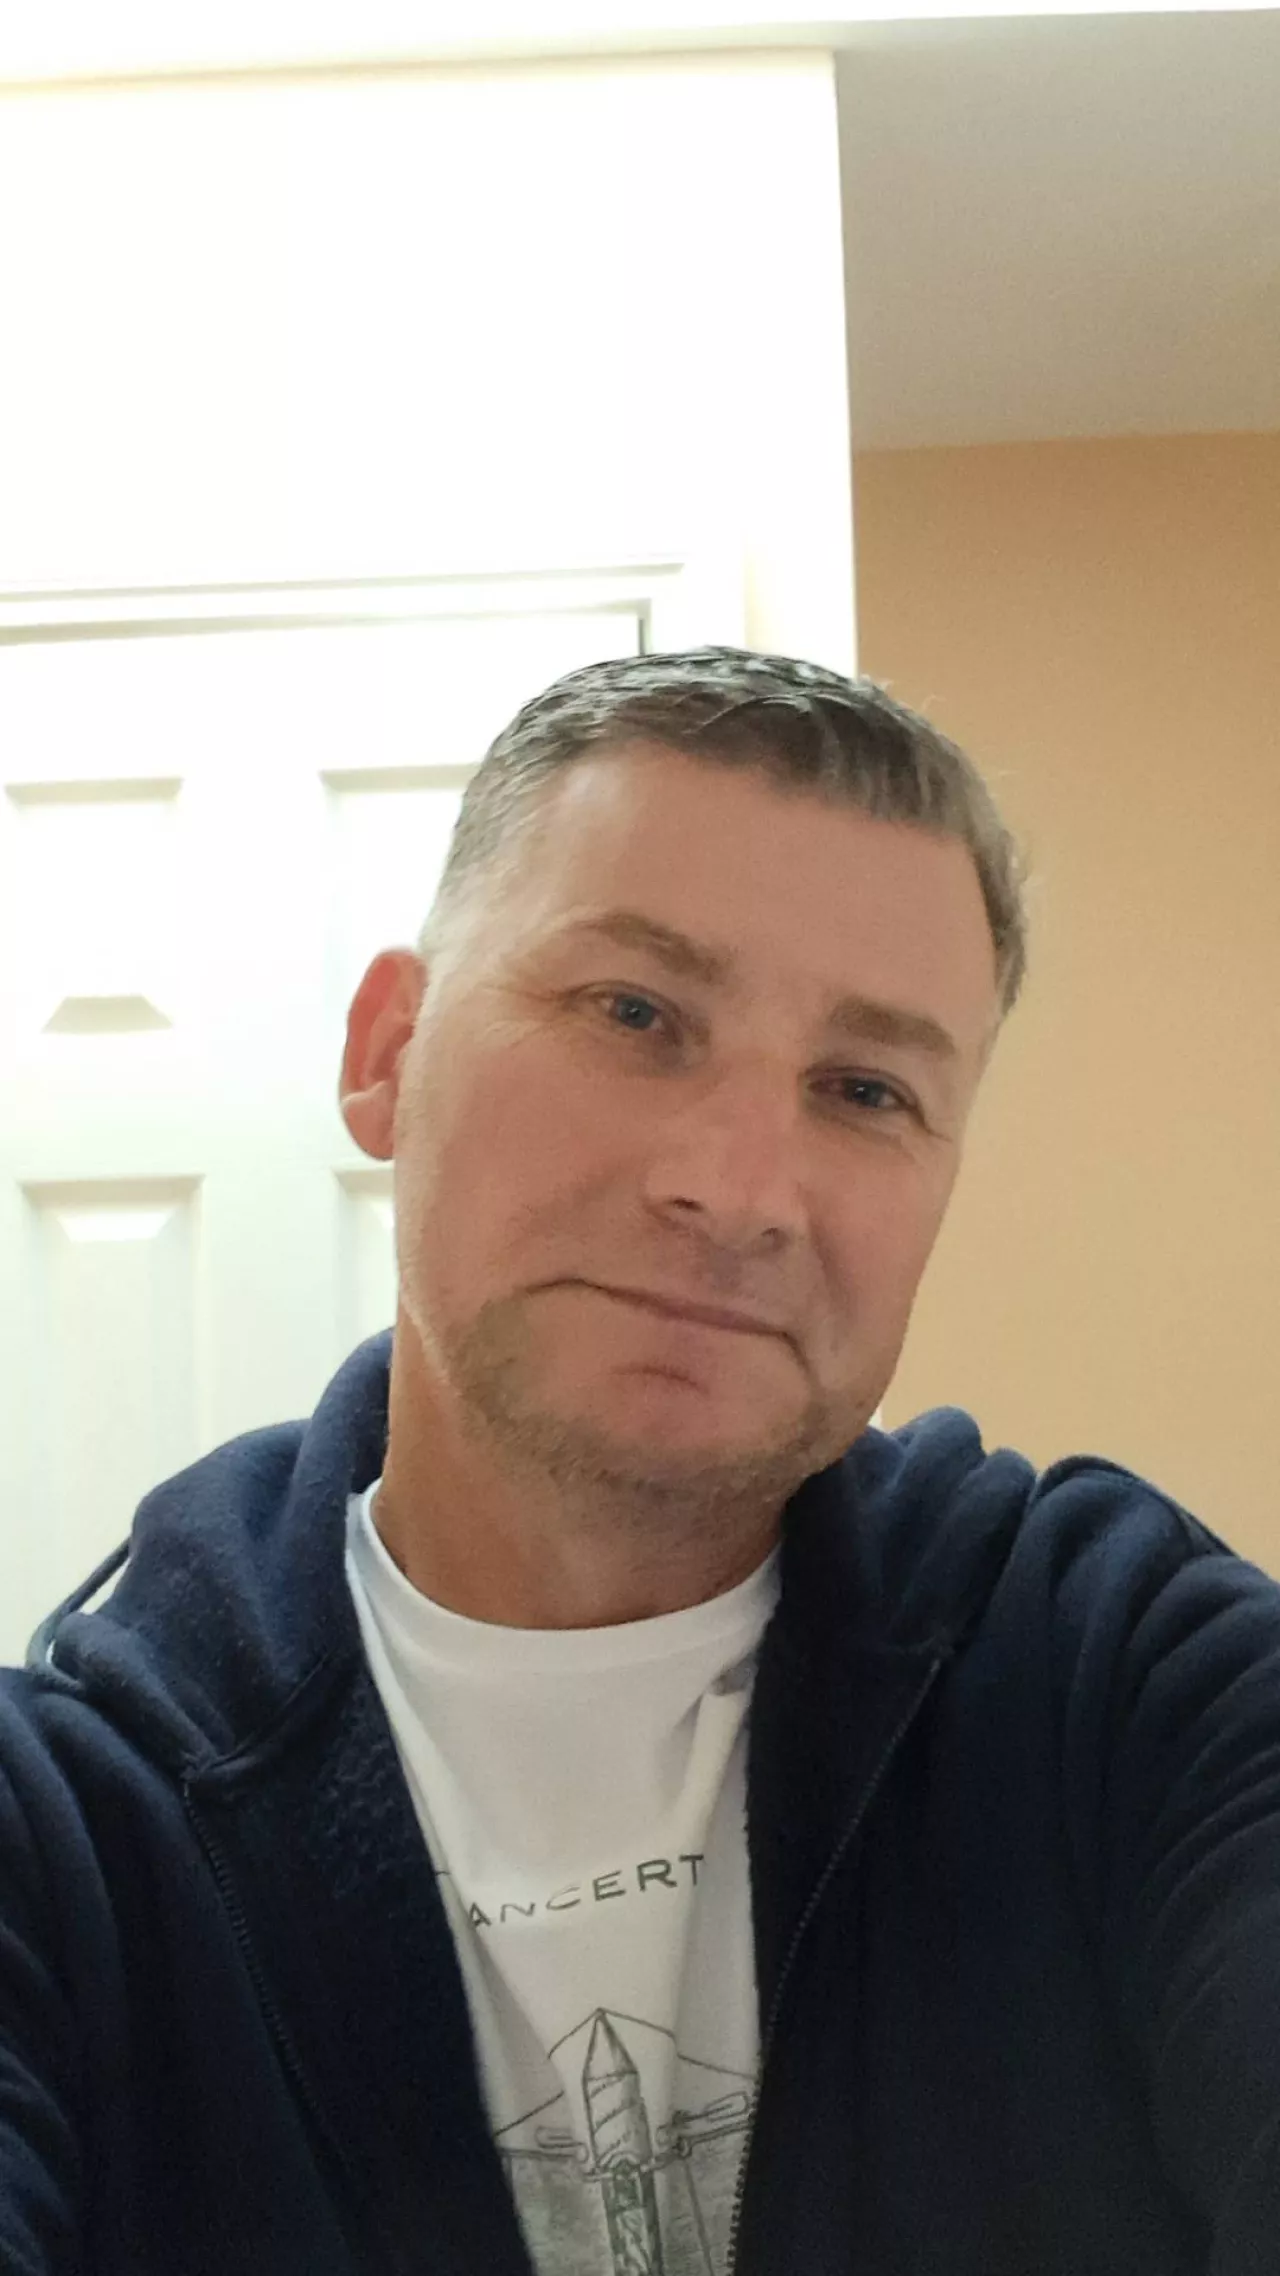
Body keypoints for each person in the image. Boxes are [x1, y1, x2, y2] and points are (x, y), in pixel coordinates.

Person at [1, 647, 1277, 2276]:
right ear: (389, 1051)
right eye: (635, 1014)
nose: (738, 1190)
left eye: (865, 1089)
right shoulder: (62, 1844)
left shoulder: (1129, 1683)